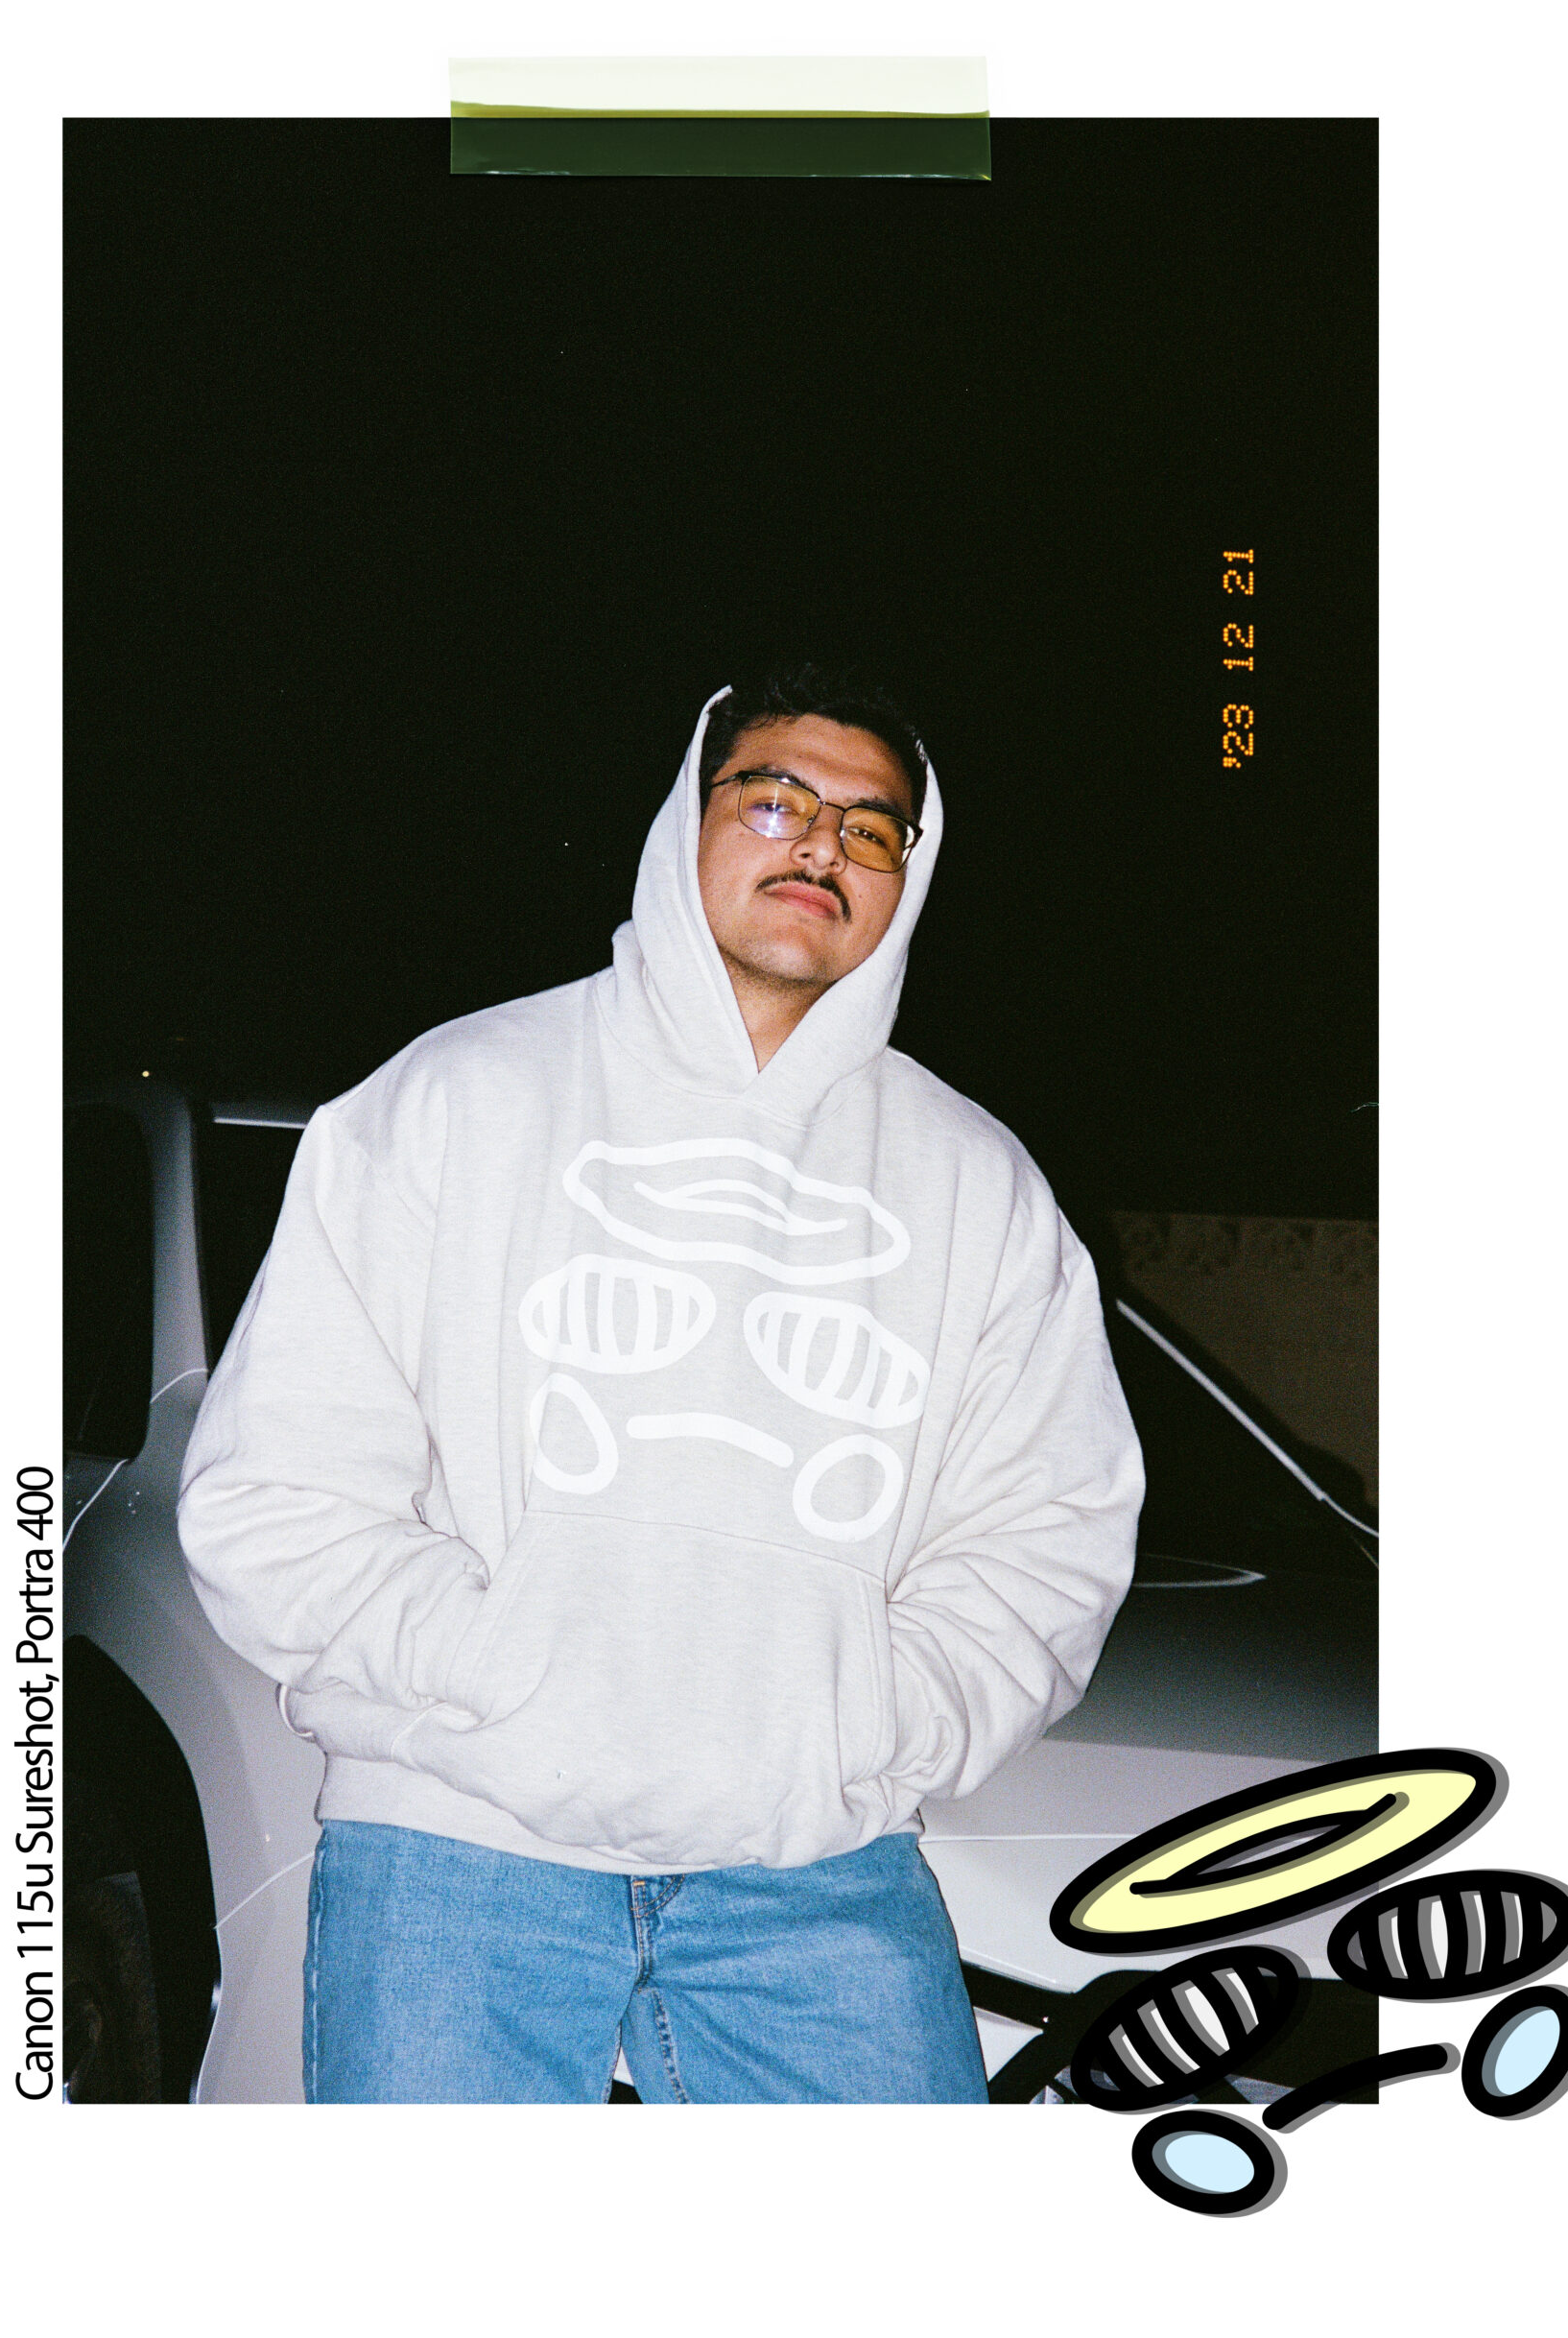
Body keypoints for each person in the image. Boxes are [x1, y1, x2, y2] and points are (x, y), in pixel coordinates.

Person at [178, 666, 1144, 2103]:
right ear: (685, 819)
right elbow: (277, 1491)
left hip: (818, 1872)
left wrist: (862, 1719)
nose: (822, 846)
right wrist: (500, 1672)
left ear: (909, 874)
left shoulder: (978, 1186)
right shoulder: (455, 1097)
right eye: (777, 800)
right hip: (458, 1837)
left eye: (871, 828)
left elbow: (1047, 1537)